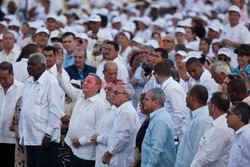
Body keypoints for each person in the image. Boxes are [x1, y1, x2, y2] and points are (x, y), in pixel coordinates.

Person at [57, 54, 107, 167]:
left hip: (87, 153)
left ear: (97, 86)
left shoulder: (100, 104)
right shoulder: (80, 95)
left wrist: (81, 141)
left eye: (88, 82)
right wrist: (59, 67)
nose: (84, 83)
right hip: (73, 148)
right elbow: (65, 85)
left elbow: (98, 130)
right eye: (84, 81)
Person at [18, 53, 62, 167]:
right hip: (30, 137)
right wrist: (22, 134)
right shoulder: (28, 82)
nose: (29, 67)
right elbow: (25, 110)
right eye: (28, 64)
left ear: (43, 66)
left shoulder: (51, 82)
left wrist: (48, 135)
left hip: (44, 139)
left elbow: (55, 110)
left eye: (33, 64)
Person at [191, 92, 234, 167]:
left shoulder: (221, 128)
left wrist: (194, 165)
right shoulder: (217, 123)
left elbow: (210, 157)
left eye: (209, 103)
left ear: (212, 106)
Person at [102, 82, 140, 167]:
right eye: (112, 92)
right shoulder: (122, 110)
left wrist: (108, 153)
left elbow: (121, 138)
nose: (112, 95)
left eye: (116, 93)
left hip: (122, 160)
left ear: (126, 96)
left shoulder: (126, 112)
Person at [175, 85, 212, 167]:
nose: (185, 97)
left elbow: (197, 151)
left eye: (187, 95)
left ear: (192, 99)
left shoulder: (202, 119)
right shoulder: (196, 116)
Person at [141, 88, 176, 167]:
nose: (143, 101)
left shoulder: (160, 120)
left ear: (155, 102)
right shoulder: (157, 117)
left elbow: (157, 148)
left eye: (146, 99)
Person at [153, 61, 187, 140]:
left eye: (153, 74)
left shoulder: (172, 88)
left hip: (174, 135)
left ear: (157, 75)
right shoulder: (167, 86)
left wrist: (172, 134)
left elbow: (179, 113)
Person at [0, 62, 23, 167]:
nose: (2, 81)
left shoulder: (22, 89)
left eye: (5, 78)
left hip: (12, 140)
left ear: (12, 75)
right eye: (0, 78)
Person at [90, 82, 116, 167]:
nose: (107, 92)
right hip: (99, 156)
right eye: (106, 90)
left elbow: (118, 139)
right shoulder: (107, 109)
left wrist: (98, 138)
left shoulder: (119, 113)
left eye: (110, 90)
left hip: (109, 158)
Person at [226, 101, 250, 167]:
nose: (226, 116)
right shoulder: (237, 134)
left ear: (239, 117)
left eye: (229, 113)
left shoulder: (247, 136)